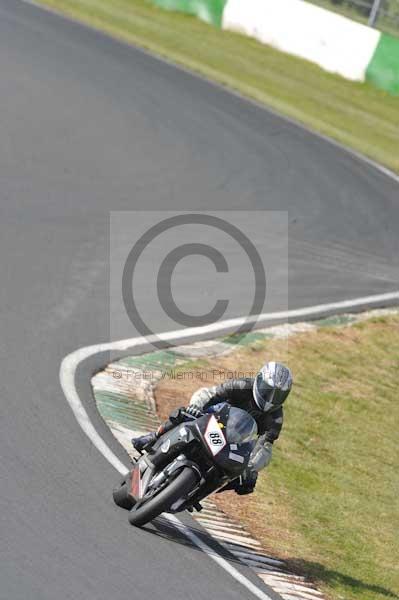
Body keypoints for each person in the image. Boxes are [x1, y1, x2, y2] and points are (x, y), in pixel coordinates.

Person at [132, 361, 293, 495]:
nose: (271, 399)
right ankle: (153, 437)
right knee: (183, 414)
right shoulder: (242, 385)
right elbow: (210, 394)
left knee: (245, 481)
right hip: (215, 419)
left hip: (237, 443)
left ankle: (198, 492)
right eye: (267, 390)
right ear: (259, 380)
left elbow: (264, 448)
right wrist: (196, 407)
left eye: (278, 395)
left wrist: (252, 467)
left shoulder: (276, 418)